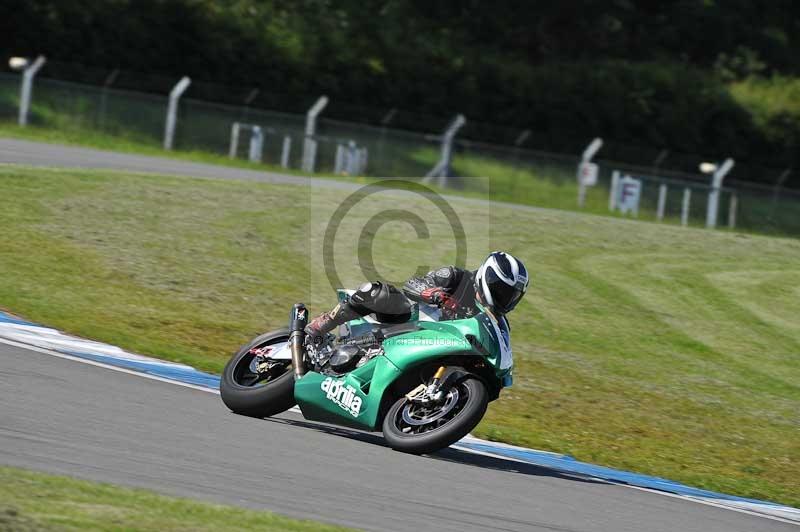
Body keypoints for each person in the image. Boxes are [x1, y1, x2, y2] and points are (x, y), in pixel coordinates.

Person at [305, 251, 529, 344]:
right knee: (379, 292)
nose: (504, 298)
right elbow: (413, 283)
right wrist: (437, 296)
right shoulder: (457, 277)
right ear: (487, 278)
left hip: (434, 344)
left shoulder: (497, 322)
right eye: (501, 290)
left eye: (511, 296)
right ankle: (323, 324)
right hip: (405, 321)